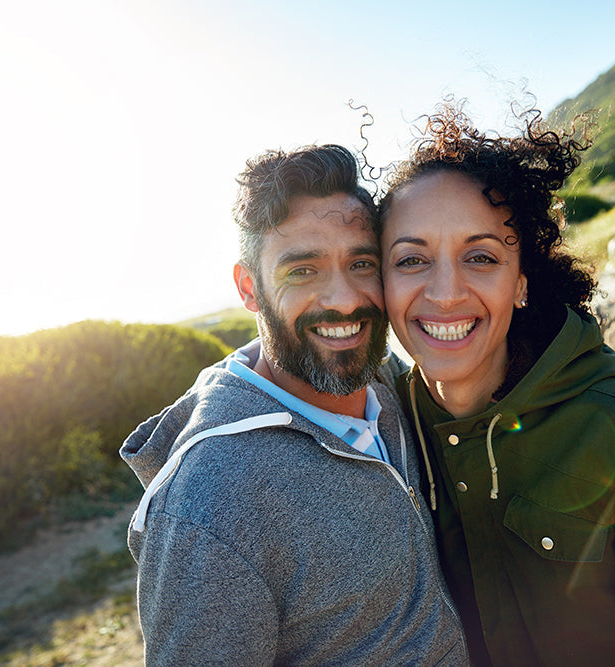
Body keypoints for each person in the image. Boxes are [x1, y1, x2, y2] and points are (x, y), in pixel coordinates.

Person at [378, 103, 615, 666]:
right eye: (411, 260)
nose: (445, 292)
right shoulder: (383, 430)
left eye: (480, 256)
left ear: (522, 283)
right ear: (379, 282)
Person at [120, 143, 467, 665]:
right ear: (249, 288)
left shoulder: (388, 382)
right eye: (302, 271)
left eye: (362, 263)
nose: (345, 299)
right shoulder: (210, 504)